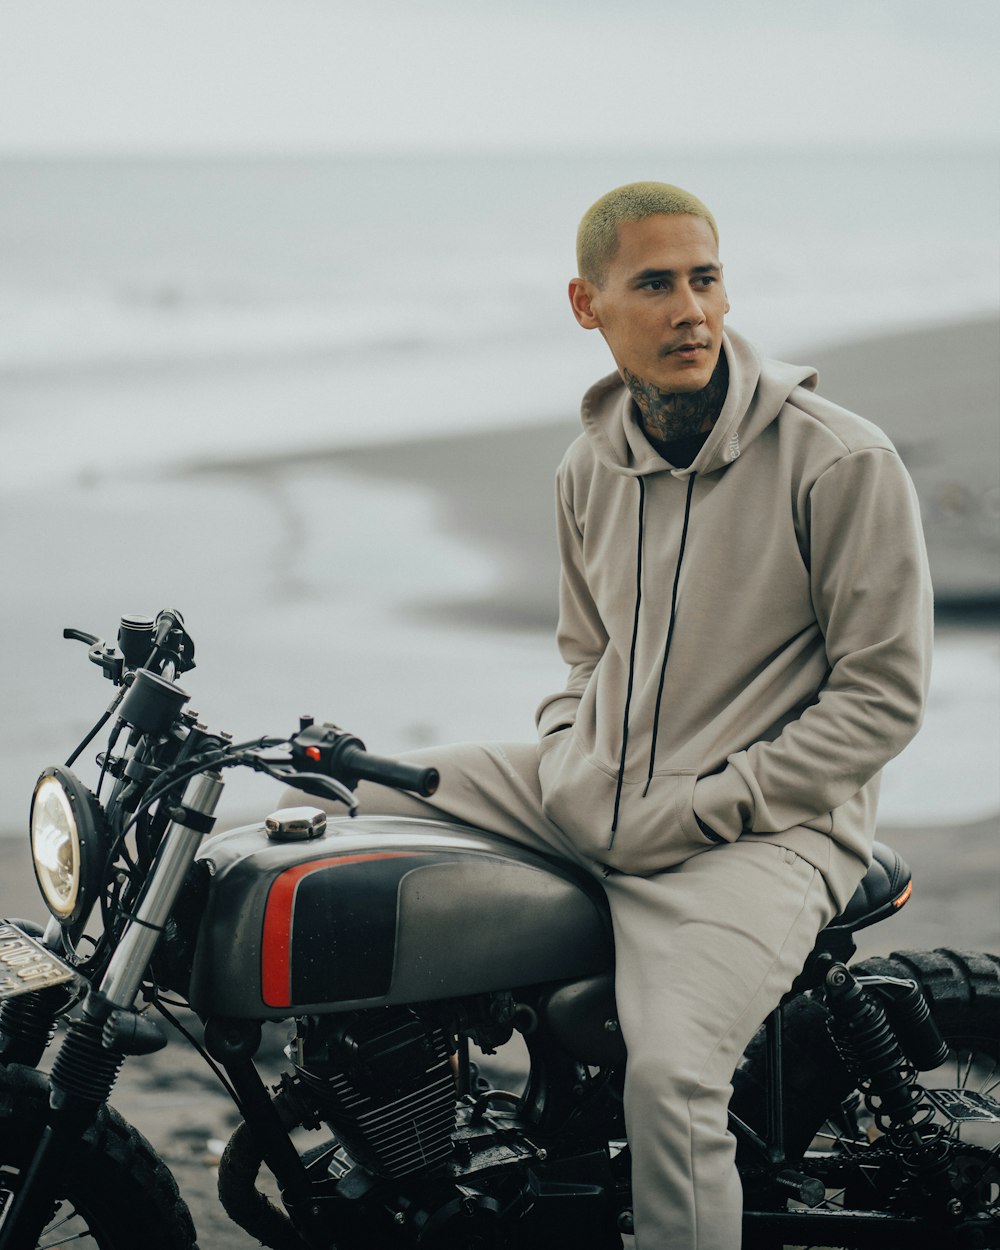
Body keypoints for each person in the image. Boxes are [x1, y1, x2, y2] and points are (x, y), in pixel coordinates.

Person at [293, 181, 934, 1249]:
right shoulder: (588, 465)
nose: (690, 309)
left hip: (764, 828)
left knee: (675, 1084)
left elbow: (882, 698)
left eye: (705, 278)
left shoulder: (839, 459)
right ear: (588, 305)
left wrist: (709, 803)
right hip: (597, 784)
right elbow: (585, 656)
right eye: (655, 284)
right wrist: (564, 754)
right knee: (345, 792)